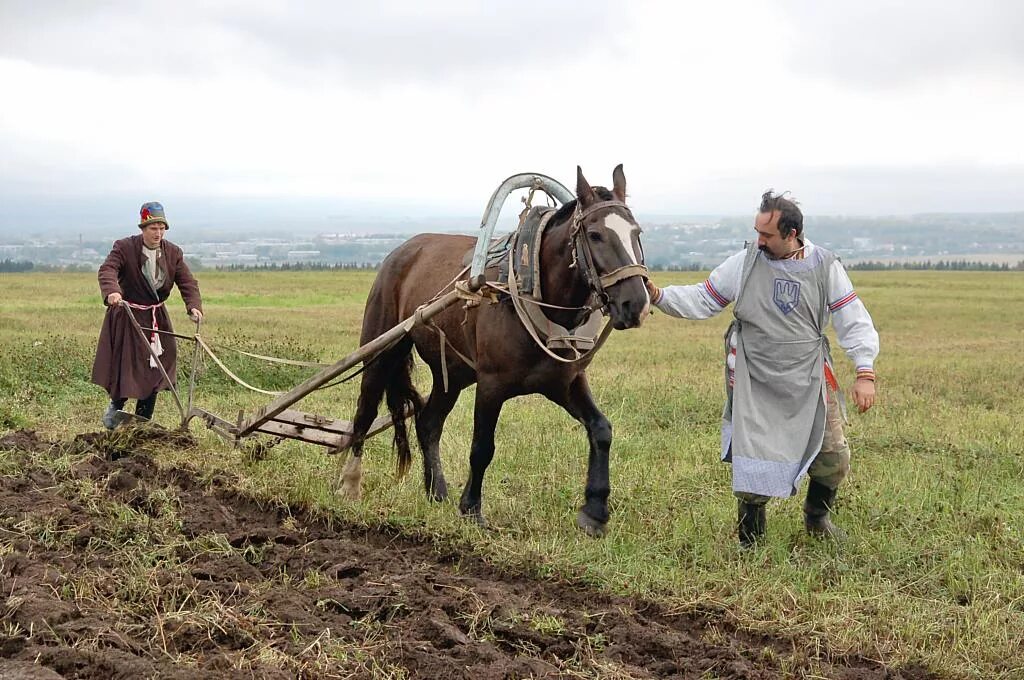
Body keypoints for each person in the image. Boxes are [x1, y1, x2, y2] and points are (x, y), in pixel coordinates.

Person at [646, 190, 879, 547]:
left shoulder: (826, 266)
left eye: (767, 235)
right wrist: (660, 296)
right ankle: (750, 537)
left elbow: (853, 319)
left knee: (833, 457)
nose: (759, 241)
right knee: (754, 460)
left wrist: (865, 372)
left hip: (809, 377)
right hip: (755, 377)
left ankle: (817, 520)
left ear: (791, 233)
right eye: (757, 232)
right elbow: (705, 298)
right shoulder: (745, 262)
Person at [92, 202, 203, 428]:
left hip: (155, 317)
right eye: (153, 228)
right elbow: (108, 270)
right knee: (127, 364)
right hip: (128, 315)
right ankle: (116, 408)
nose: (158, 233)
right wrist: (112, 291)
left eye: (162, 228)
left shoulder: (173, 252)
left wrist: (194, 306)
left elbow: (187, 282)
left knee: (156, 366)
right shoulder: (124, 248)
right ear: (143, 228)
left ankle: (143, 419)